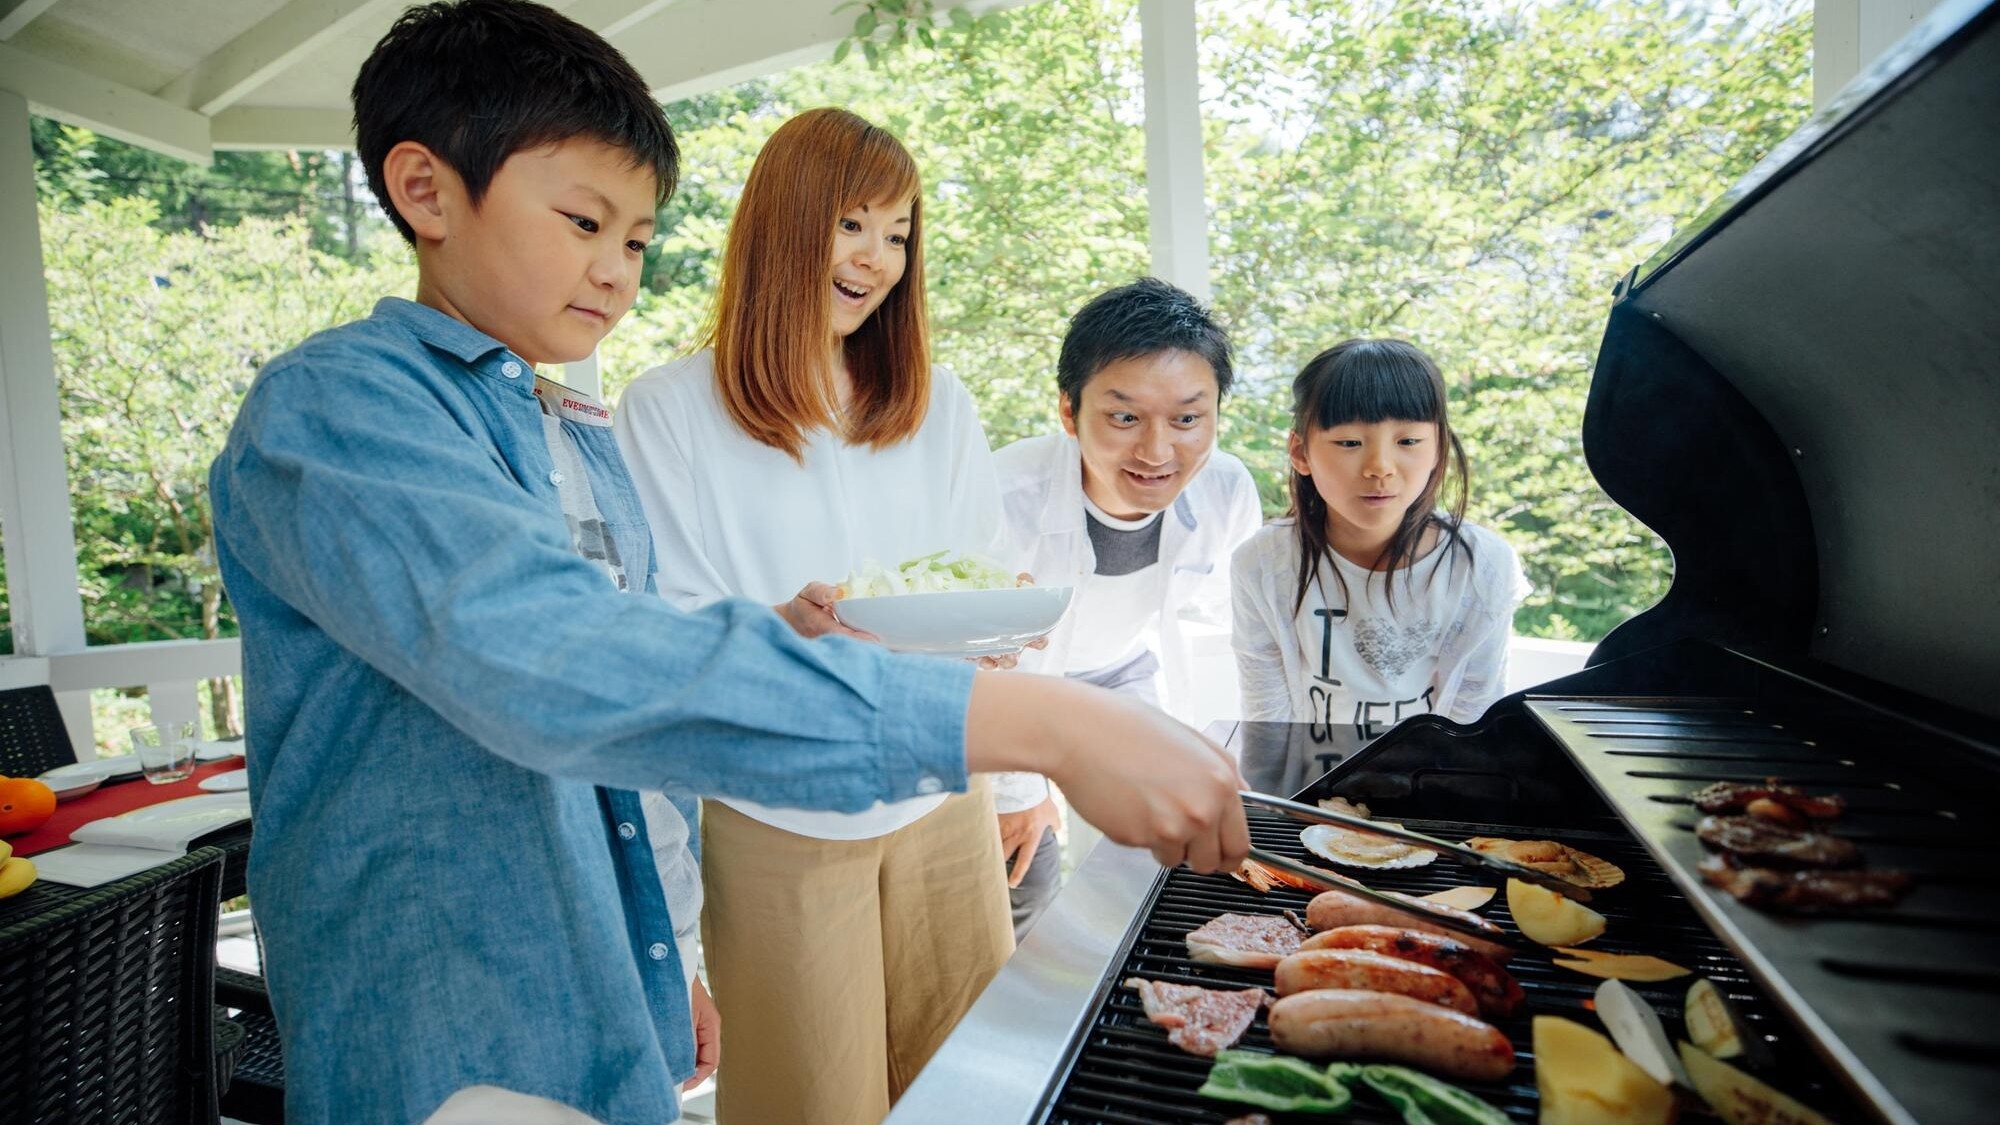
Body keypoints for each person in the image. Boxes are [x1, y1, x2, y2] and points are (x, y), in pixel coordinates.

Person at [204, 4, 1249, 1124]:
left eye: (638, 240)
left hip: (605, 988)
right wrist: (1042, 725)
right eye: (582, 222)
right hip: (442, 1010)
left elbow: (630, 757)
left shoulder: (573, 430)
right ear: (425, 192)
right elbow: (563, 663)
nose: (614, 272)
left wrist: (667, 948)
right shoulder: (339, 406)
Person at [613, 107, 1018, 1125]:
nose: (878, 259)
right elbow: (662, 637)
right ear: (784, 223)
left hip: (940, 795)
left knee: (974, 1093)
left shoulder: (940, 403)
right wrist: (784, 628)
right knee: (811, 1107)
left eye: (899, 234)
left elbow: (982, 583)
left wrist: (1009, 756)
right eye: (853, 224)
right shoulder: (667, 408)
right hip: (776, 813)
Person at [990, 278, 1263, 938]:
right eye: (1124, 416)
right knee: (1022, 869)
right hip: (1015, 694)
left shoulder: (1226, 491)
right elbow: (987, 666)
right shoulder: (1005, 493)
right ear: (1067, 410)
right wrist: (1024, 793)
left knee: (1161, 861)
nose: (1157, 451)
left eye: (1188, 418)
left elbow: (1240, 626)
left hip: (1123, 675)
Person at [1231, 338, 1528, 743]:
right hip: (1311, 789)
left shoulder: (1483, 565)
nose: (1380, 468)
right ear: (1300, 452)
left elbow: (1474, 711)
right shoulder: (1263, 563)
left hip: (1428, 783)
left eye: (1407, 442)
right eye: (1350, 443)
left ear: (1438, 448)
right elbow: (1267, 718)